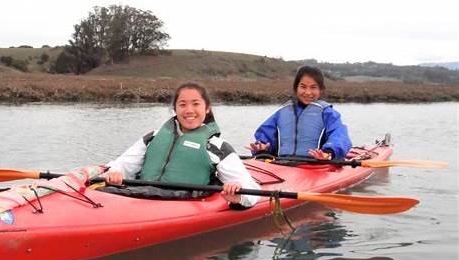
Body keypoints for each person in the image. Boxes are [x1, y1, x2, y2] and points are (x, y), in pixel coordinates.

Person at [104, 82, 260, 207]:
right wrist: (116, 173)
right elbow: (122, 165)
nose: (189, 110)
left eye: (196, 104)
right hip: (138, 196)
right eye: (183, 104)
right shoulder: (153, 136)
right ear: (175, 109)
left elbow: (250, 188)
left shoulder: (217, 147)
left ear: (206, 108)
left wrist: (238, 197)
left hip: (181, 203)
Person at [248, 66, 352, 160]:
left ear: (321, 90)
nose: (307, 92)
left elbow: (339, 135)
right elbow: (265, 134)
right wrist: (261, 147)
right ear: (296, 88)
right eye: (303, 87)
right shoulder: (282, 113)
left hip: (317, 165)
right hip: (283, 165)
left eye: (313, 87)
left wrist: (329, 152)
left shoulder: (328, 113)